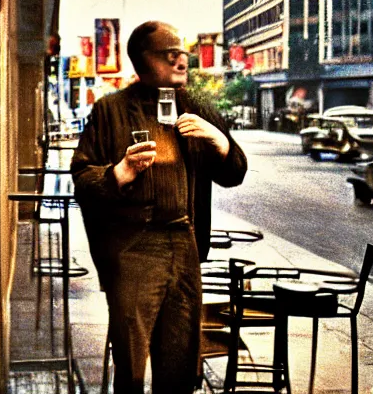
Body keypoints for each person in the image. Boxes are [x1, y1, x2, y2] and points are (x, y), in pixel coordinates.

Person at [71, 21, 247, 393]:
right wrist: (121, 171)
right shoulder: (110, 110)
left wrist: (221, 142)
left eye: (182, 53)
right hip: (133, 247)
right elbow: (83, 178)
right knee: (132, 361)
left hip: (185, 246)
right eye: (171, 55)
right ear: (143, 60)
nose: (181, 61)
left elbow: (234, 173)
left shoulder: (195, 107)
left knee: (182, 356)